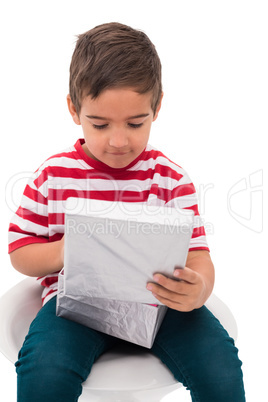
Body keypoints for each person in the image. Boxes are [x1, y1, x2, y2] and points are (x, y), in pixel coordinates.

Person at [8, 22, 245, 401]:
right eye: (99, 124)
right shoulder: (52, 176)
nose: (118, 141)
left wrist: (199, 288)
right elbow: (20, 252)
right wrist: (64, 251)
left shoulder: (169, 178)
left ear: (157, 108)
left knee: (221, 367)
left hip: (159, 306)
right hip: (75, 308)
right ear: (74, 109)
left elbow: (198, 256)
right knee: (43, 371)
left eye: (136, 123)